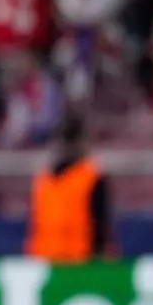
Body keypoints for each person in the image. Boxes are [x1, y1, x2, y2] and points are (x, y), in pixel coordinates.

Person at [25, 112, 117, 263]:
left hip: (71, 261)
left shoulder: (88, 177)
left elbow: (100, 226)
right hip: (56, 260)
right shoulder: (46, 179)